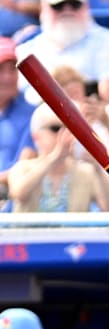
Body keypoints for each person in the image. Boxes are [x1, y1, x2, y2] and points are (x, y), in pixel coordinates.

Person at [15, 0, 109, 104]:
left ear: (86, 6)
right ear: (43, 7)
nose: (67, 11)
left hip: (93, 118)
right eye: (58, 5)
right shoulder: (25, 51)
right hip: (37, 120)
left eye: (74, 4)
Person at [7, 102, 109, 212]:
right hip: (30, 233)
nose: (64, 134)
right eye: (55, 128)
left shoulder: (86, 172)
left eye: (70, 128)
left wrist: (98, 169)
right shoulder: (22, 167)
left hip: (74, 233)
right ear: (36, 136)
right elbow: (18, 194)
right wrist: (55, 157)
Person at [51, 65, 109, 188]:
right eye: (62, 84)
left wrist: (107, 122)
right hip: (90, 199)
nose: (70, 86)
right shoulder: (58, 130)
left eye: (73, 80)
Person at [0, 36, 35, 209]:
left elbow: (26, 165)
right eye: (0, 70)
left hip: (14, 202)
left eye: (12, 70)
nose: (7, 77)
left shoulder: (32, 114)